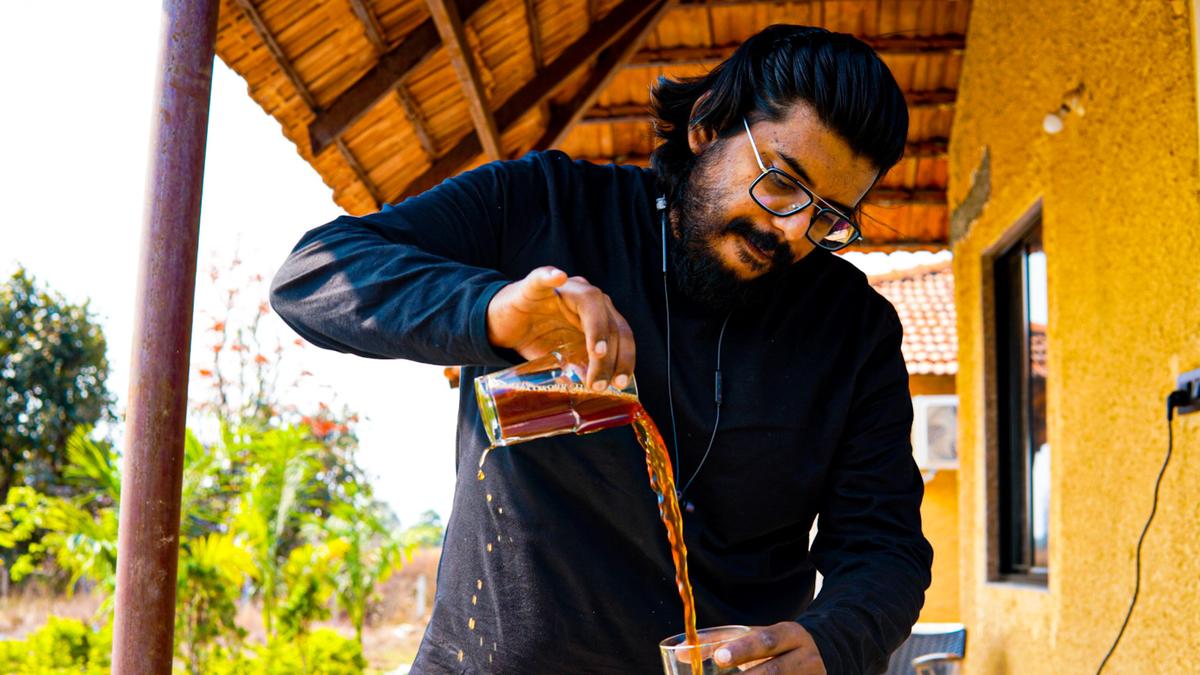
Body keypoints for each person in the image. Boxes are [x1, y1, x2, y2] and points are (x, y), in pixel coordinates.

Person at [271, 24, 932, 674]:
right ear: (707, 126)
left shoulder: (853, 328)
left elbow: (885, 546)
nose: (791, 231)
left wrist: (833, 640)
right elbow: (313, 272)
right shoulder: (546, 207)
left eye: (828, 217)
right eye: (782, 182)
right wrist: (490, 309)